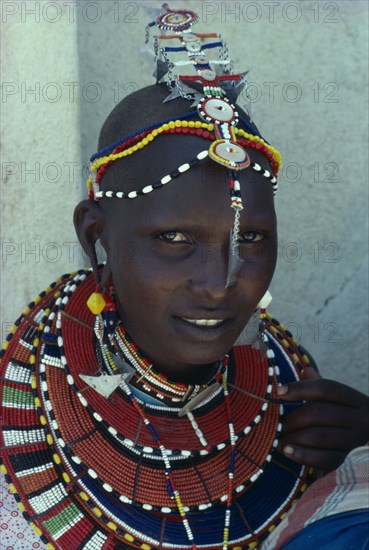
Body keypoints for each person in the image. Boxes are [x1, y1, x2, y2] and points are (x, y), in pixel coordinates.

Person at [1, 4, 368, 549]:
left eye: (251, 239)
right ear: (94, 235)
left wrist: (361, 458)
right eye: (174, 239)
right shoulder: (23, 425)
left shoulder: (298, 403)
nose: (221, 283)